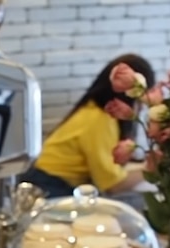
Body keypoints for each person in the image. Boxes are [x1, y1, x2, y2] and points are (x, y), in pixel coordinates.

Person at [18, 54, 156, 200]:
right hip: (50, 187)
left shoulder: (92, 111)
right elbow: (112, 185)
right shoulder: (100, 120)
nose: (143, 106)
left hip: (43, 179)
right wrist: (152, 168)